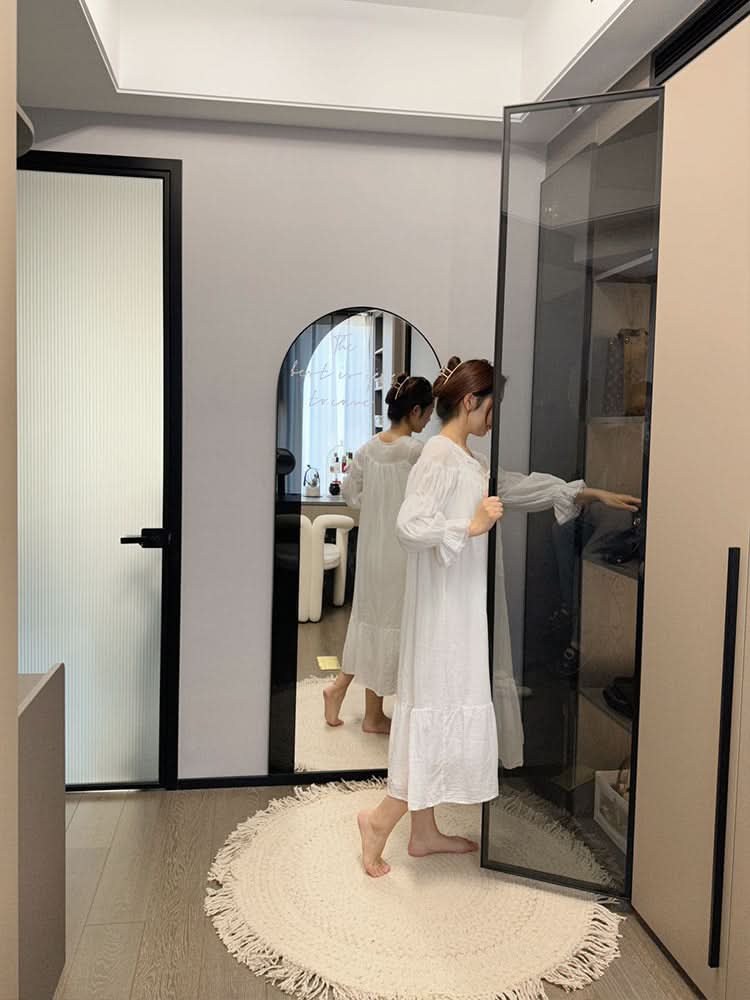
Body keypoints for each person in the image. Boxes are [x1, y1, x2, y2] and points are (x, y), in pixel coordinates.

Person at [357, 356, 640, 877]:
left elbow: (518, 487)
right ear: (471, 402)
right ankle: (378, 821)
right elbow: (408, 526)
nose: (494, 417)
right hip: (443, 614)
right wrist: (468, 527)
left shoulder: (467, 461)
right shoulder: (438, 457)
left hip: (459, 608)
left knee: (445, 705)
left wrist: (585, 492)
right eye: (492, 407)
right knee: (438, 704)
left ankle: (423, 832)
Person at [323, 373, 435, 734]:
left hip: (371, 550)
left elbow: (350, 496)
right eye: (428, 412)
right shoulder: (416, 453)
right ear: (415, 411)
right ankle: (372, 712)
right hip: (402, 553)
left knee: (372, 626)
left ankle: (356, 701)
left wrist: (375, 506)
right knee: (394, 628)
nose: (430, 419)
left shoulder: (367, 448)